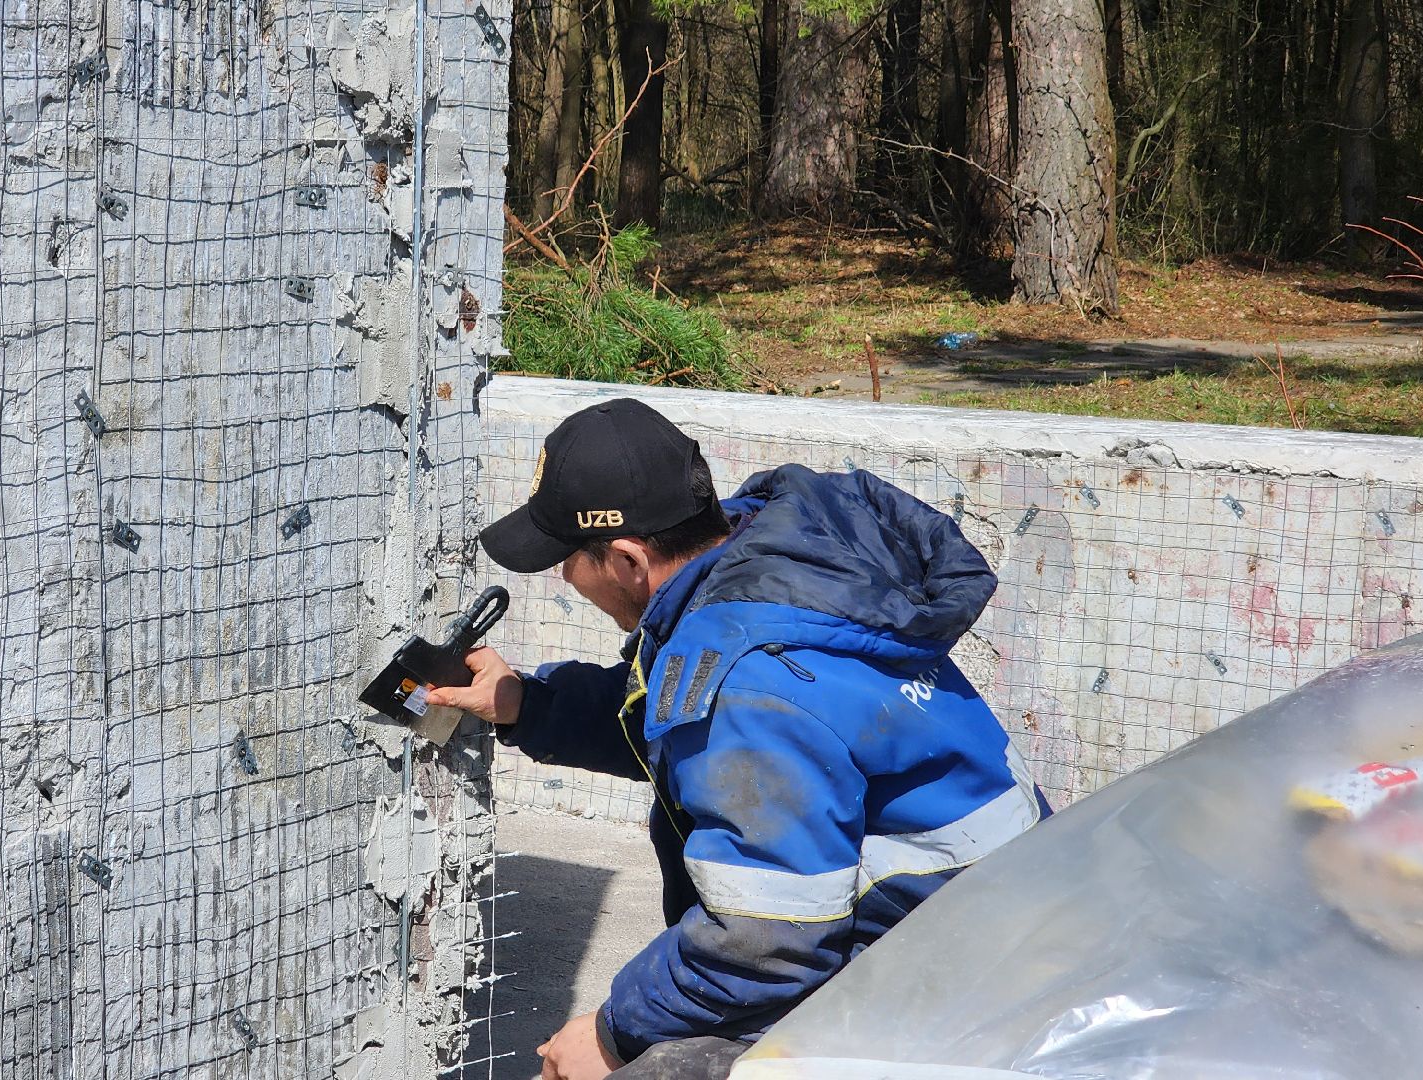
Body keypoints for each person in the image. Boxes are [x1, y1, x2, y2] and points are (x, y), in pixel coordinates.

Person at [427, 397, 1048, 1080]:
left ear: (630, 561)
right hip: (991, 929)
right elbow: (684, 717)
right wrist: (528, 705)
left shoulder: (749, 687)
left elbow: (763, 940)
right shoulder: (775, 569)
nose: (564, 579)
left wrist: (610, 1033)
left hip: (951, 995)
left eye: (567, 560)